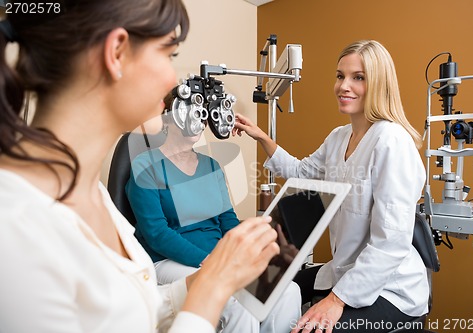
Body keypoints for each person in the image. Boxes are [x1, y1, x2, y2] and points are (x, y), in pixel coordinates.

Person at [0, 1, 281, 332]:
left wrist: (214, 274)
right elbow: (159, 236)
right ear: (117, 53)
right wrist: (213, 288)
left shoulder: (96, 196)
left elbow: (128, 311)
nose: (173, 79)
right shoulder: (17, 228)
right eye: (169, 54)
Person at [233, 40, 428, 333]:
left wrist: (335, 300)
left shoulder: (391, 141)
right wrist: (262, 137)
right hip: (345, 268)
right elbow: (301, 173)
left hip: (390, 287)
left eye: (357, 77)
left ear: (378, 83)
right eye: (340, 76)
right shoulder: (339, 137)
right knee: (263, 290)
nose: (343, 86)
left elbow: (390, 245)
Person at [125, 102, 301, 332]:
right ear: (168, 119)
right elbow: (157, 233)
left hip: (217, 256)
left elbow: (228, 220)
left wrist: (248, 251)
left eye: (201, 113)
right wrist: (212, 261)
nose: (197, 120)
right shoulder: (146, 165)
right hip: (167, 260)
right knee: (238, 302)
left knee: (287, 290)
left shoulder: (211, 166)